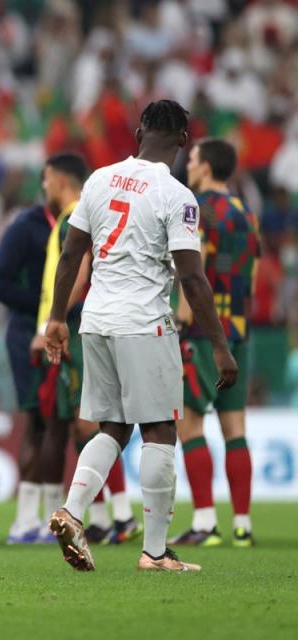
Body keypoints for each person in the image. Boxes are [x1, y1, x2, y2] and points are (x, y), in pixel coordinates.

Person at [45, 100, 238, 572]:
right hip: (144, 322)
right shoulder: (176, 196)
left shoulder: (99, 179)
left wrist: (54, 318)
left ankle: (72, 511)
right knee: (159, 431)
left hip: (95, 320)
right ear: (183, 141)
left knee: (112, 426)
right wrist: (219, 344)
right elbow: (192, 278)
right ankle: (154, 552)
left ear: (138, 133)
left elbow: (72, 254)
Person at [29, 154, 139, 545]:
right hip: (78, 325)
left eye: (46, 179)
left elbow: (79, 270)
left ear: (59, 180)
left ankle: (122, 515)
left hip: (77, 327)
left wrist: (53, 323)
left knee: (90, 422)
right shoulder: (77, 215)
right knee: (82, 424)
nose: (44, 187)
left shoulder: (77, 216)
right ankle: (103, 517)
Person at [171, 138, 260, 548]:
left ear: (205, 167)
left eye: (191, 158)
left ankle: (205, 522)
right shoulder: (247, 213)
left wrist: (181, 321)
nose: (187, 164)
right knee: (234, 426)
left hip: (205, 333)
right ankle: (242, 524)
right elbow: (253, 277)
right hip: (240, 329)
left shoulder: (196, 210)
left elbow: (195, 270)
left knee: (189, 423)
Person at [0, 196, 51, 544]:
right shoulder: (25, 228)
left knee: (71, 422)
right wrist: (44, 308)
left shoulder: (80, 222)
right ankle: (26, 520)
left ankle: (92, 517)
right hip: (28, 333)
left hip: (72, 328)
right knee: (37, 419)